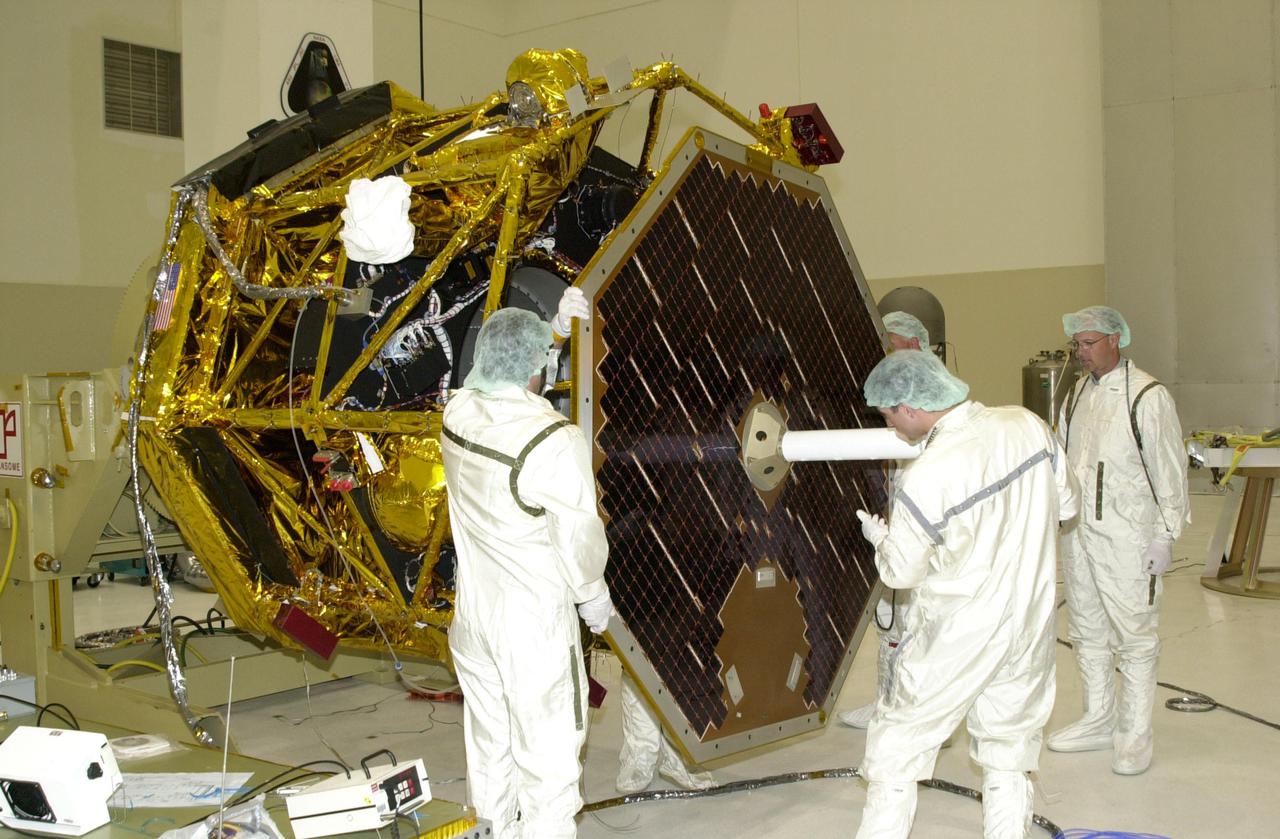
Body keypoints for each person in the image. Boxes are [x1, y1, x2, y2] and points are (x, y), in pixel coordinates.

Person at [853, 351, 1079, 838]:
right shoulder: (1027, 425)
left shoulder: (929, 474)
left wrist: (882, 541)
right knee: (1008, 748)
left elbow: (900, 573)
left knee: (897, 746)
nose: (889, 425)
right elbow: (1068, 502)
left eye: (887, 414)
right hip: (1029, 621)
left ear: (910, 407)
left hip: (961, 630)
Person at [441, 300, 613, 839]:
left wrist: (553, 336)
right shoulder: (553, 440)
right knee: (550, 763)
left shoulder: (457, 411)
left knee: (491, 751)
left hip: (474, 622)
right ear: (539, 369)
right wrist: (593, 595)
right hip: (532, 630)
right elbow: (579, 536)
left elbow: (512, 380)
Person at [1049, 306, 1189, 776]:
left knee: (1134, 636)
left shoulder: (1148, 395)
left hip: (1128, 538)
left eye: (1089, 344)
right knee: (1086, 629)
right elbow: (1063, 462)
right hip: (1080, 535)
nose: (1081, 353)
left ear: (1116, 341)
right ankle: (1098, 718)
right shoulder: (1077, 394)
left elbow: (1169, 470)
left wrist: (1165, 535)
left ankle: (1134, 733)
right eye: (1078, 345)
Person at [837, 310, 928, 729]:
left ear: (912, 345)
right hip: (892, 526)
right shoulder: (893, 402)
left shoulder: (929, 402)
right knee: (888, 619)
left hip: (922, 536)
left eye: (889, 344)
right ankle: (886, 703)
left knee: (918, 626)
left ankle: (918, 712)